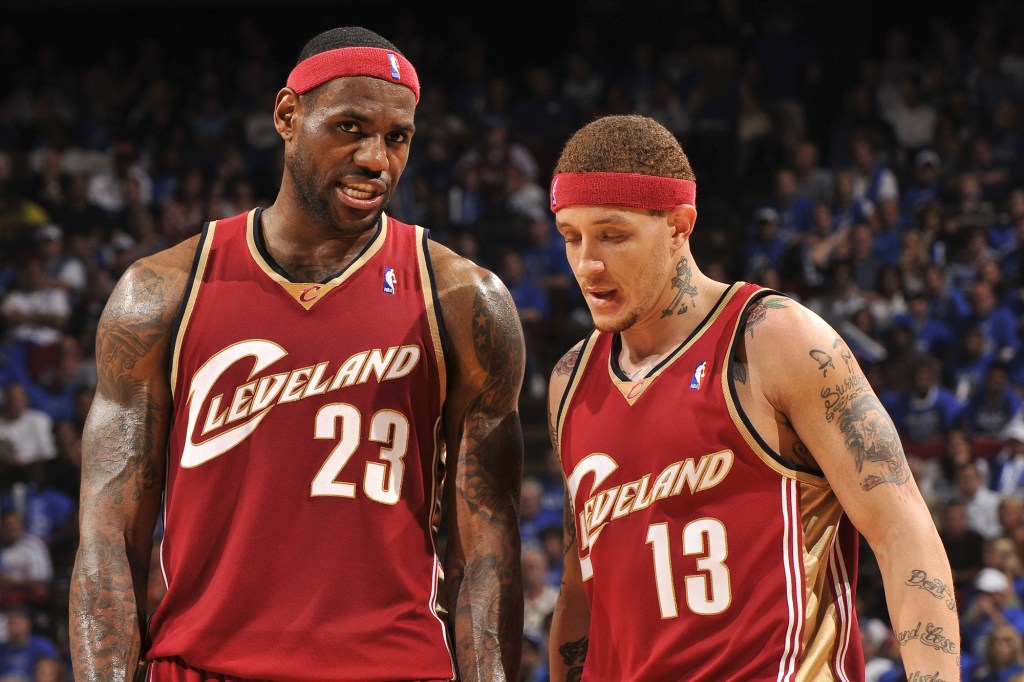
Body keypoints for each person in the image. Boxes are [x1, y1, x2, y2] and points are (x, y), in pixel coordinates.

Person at [70, 26, 525, 682]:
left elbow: (487, 551)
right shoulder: (162, 293)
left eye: (398, 138)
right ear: (288, 116)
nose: (377, 159)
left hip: (392, 668)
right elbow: (108, 539)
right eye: (351, 127)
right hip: (205, 665)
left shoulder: (462, 299)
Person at [545, 115, 959, 680]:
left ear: (678, 226)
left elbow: (901, 531)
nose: (587, 262)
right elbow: (579, 590)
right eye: (572, 237)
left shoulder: (772, 339)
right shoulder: (571, 381)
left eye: (613, 234)